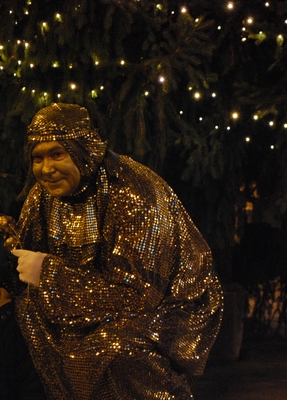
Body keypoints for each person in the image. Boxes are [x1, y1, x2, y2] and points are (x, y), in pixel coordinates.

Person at [1, 103, 223, 399]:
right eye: (37, 158)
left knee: (116, 351)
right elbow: (24, 265)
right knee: (15, 321)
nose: (46, 169)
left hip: (161, 312)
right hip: (74, 302)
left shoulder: (134, 190)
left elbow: (139, 297)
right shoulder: (44, 195)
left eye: (57, 154)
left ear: (82, 150)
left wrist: (50, 274)